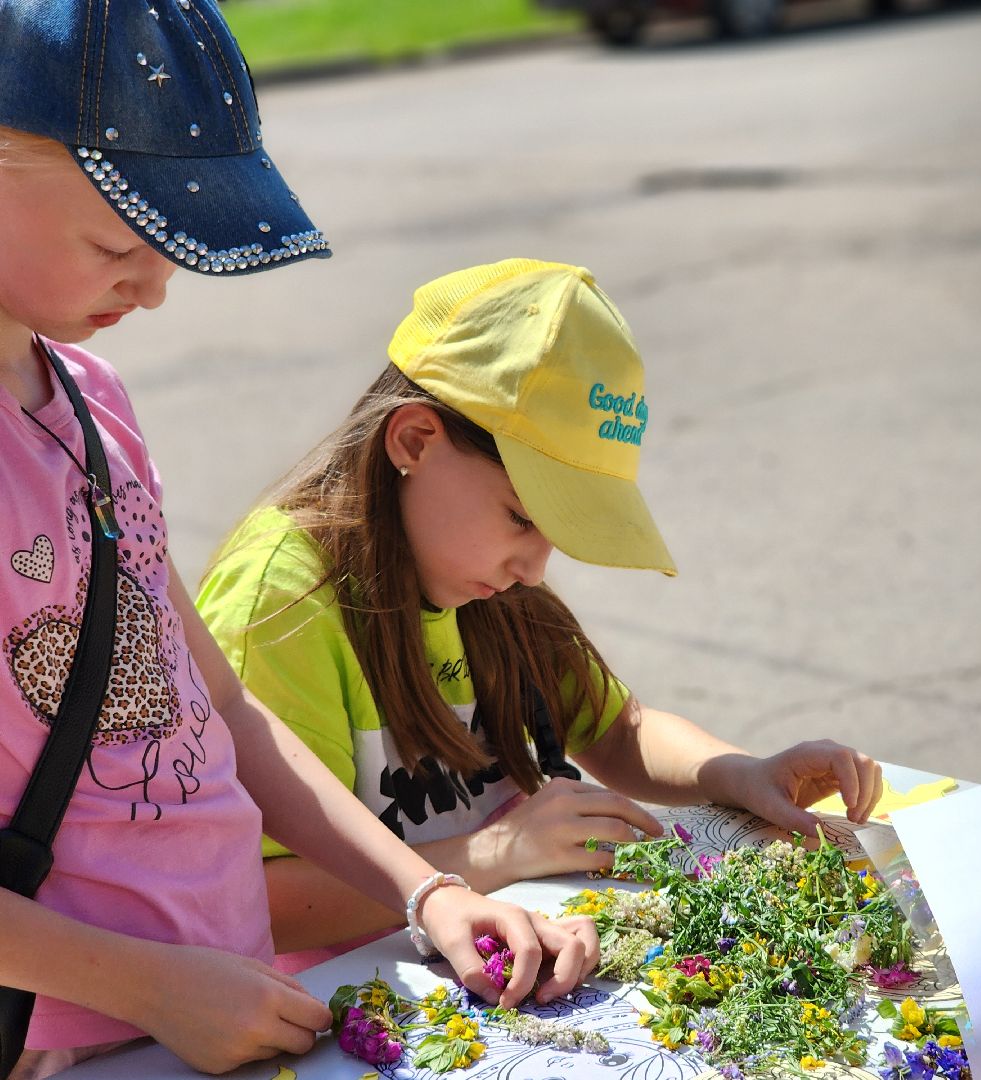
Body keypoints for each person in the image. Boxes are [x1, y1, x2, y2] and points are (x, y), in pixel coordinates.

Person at [0, 6, 595, 1079]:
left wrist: (430, 890)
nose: (156, 283)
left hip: (212, 1003)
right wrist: (146, 983)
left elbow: (217, 704)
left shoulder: (88, 400)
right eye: (119, 241)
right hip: (71, 1031)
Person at [196, 258, 886, 962]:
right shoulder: (283, 600)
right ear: (413, 441)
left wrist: (738, 771)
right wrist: (495, 851)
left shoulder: (486, 584)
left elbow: (620, 730)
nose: (534, 568)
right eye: (523, 519)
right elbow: (260, 903)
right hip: (345, 996)